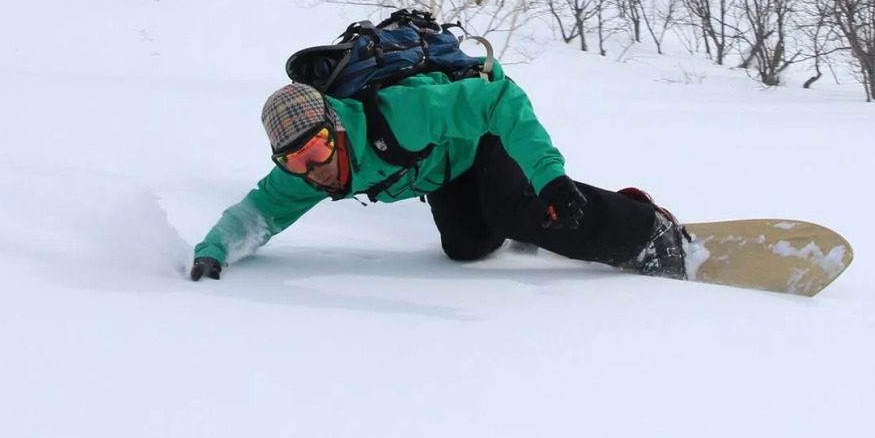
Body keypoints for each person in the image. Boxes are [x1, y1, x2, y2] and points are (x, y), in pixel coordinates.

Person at [189, 62, 691, 282]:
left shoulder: (399, 115)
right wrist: (213, 251)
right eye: (293, 160)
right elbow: (258, 212)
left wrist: (549, 178)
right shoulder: (306, 172)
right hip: (446, 170)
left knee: (515, 208)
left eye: (317, 148)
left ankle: (650, 231)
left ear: (336, 127)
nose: (311, 169)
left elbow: (500, 99)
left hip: (483, 134)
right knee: (466, 248)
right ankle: (527, 220)